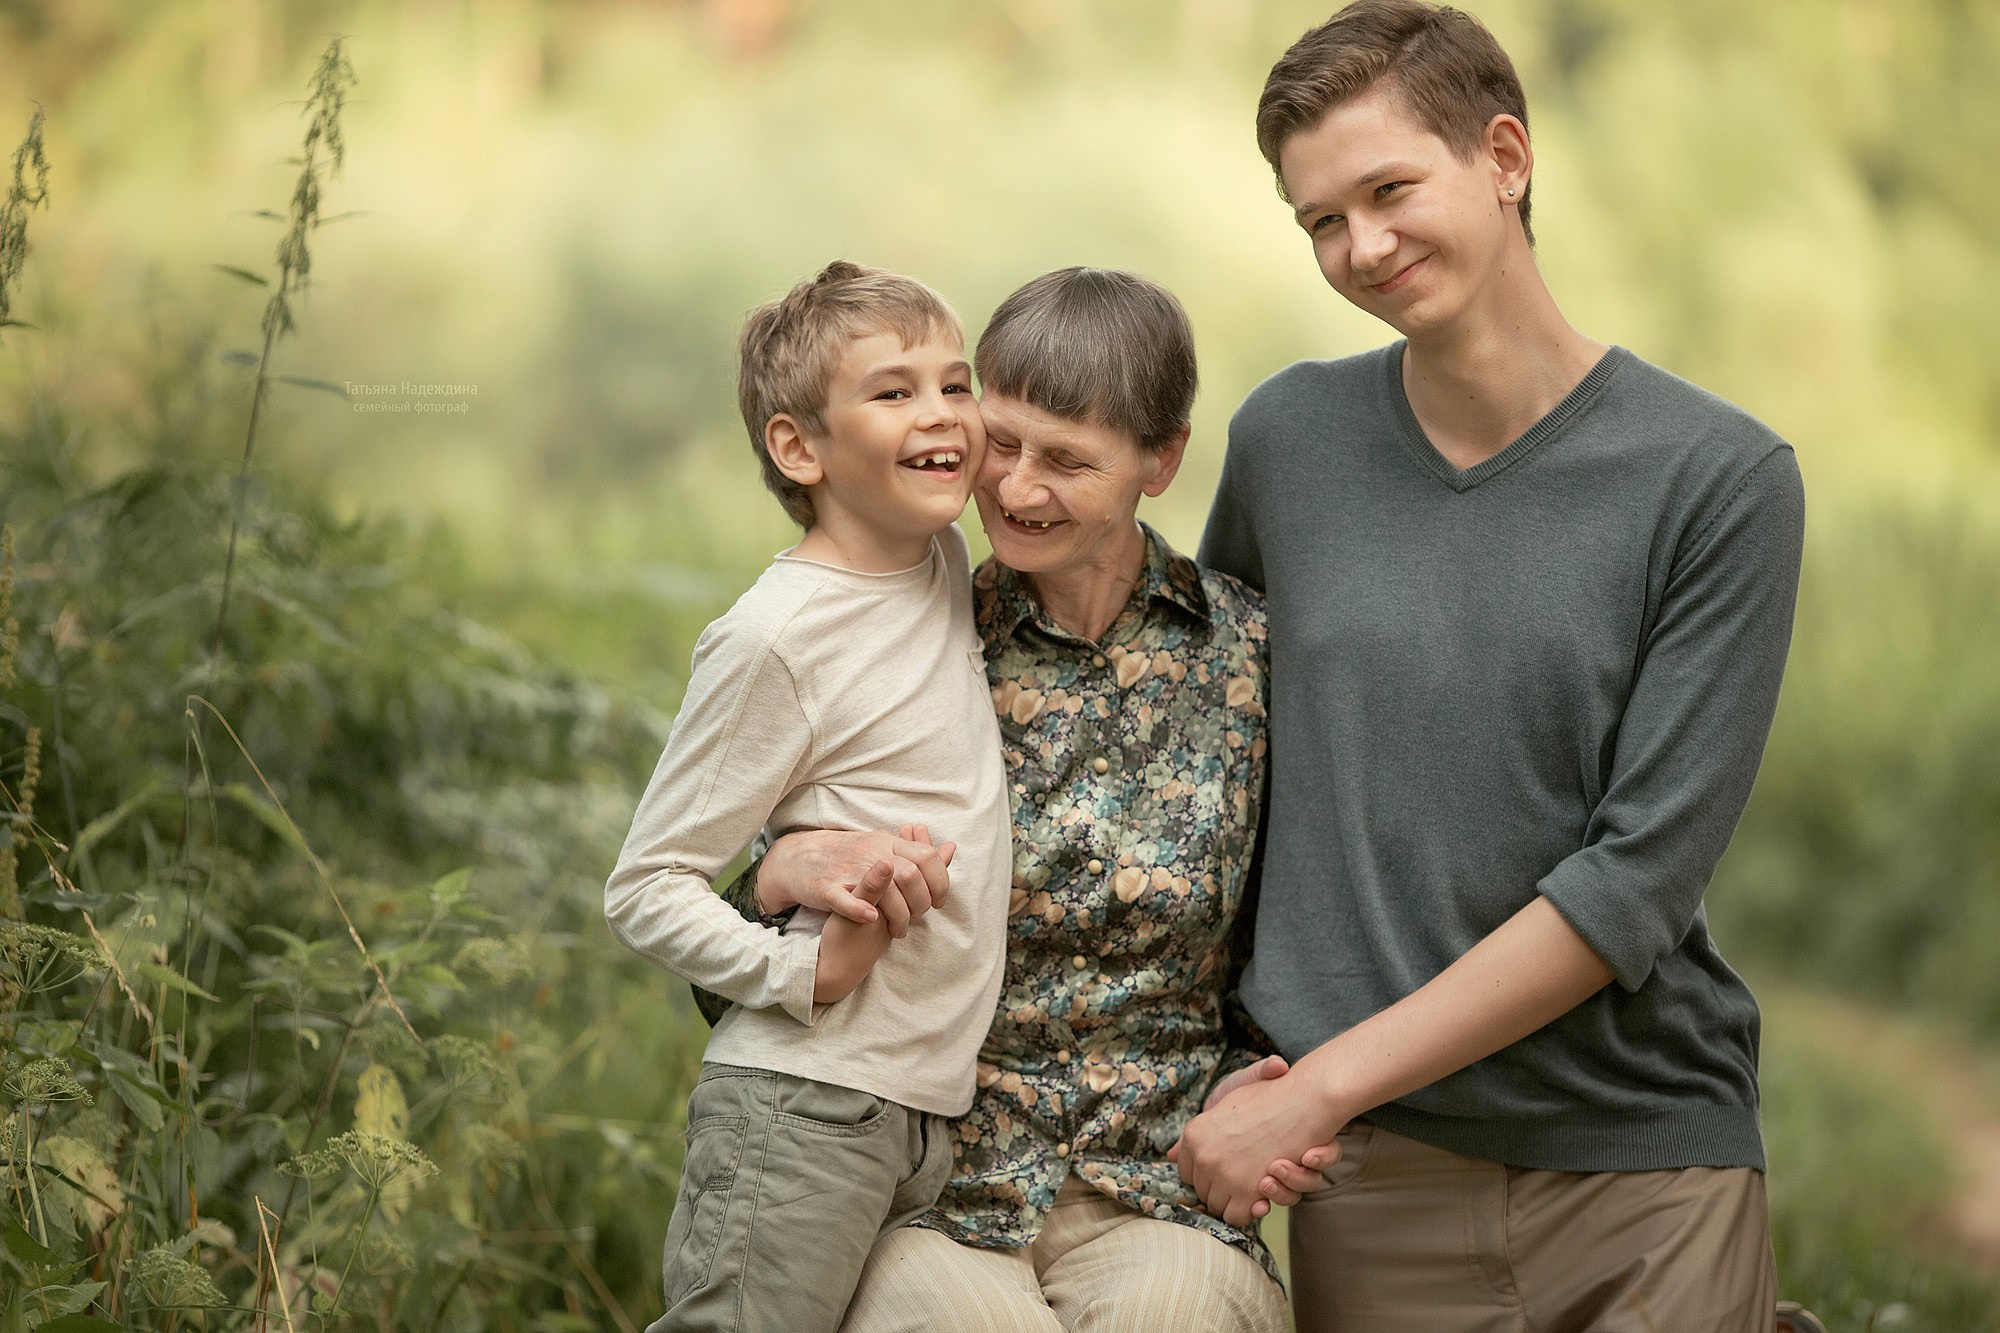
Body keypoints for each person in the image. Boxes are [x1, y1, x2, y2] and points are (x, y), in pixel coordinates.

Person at [1174, 3, 1808, 1330]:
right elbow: (1210, 771)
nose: (1361, 248)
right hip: (1373, 1170)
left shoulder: (1716, 479)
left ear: (1505, 157)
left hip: (1644, 1161)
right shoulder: (1288, 443)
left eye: (1388, 191)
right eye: (1320, 220)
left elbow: (1633, 882)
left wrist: (1316, 1086)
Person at [707, 267, 1291, 1332]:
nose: (1017, 488)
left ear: (1161, 459)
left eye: (1066, 460)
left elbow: (1304, 920)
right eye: (1001, 443)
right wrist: (780, 876)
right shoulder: (897, 639)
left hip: (1157, 1186)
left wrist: (1270, 1082)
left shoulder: (1252, 657)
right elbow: (730, 965)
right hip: (928, 1185)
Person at [603, 260, 1012, 1333]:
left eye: (956, 384)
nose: (943, 414)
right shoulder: (774, 637)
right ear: (798, 448)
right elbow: (645, 886)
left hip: (915, 1106)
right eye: (894, 391)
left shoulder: (939, 558)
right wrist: (795, 969)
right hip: (801, 1099)